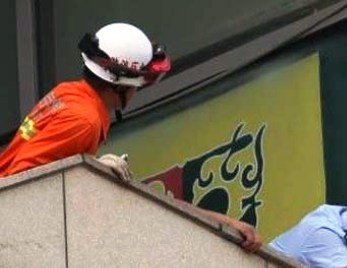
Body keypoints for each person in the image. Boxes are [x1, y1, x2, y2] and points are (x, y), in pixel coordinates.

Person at [0, 22, 261, 252]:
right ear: (119, 84)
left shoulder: (71, 93)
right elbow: (22, 188)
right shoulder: (84, 120)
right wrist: (88, 173)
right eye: (140, 83)